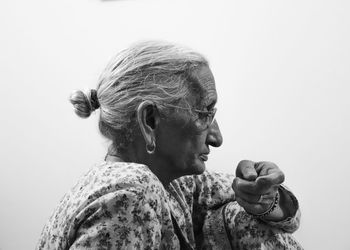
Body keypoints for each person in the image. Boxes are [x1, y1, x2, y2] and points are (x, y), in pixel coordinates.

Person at [37, 41, 303, 249]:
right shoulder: (130, 193)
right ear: (150, 120)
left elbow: (264, 206)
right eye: (204, 113)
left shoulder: (173, 187)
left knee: (239, 216)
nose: (216, 138)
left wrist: (264, 196)